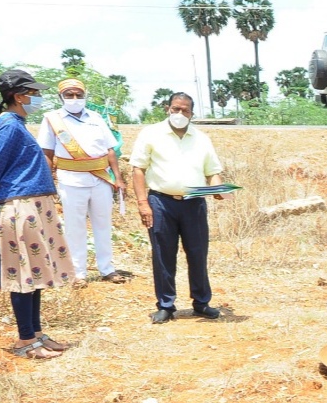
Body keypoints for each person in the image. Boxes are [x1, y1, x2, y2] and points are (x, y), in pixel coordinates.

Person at [0, 70, 73, 359]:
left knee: (34, 273)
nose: (38, 98)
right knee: (23, 274)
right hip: (19, 207)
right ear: (19, 97)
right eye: (33, 93)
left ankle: (34, 333)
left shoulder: (16, 123)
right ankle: (25, 341)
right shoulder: (8, 125)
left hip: (32, 206)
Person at [129, 92, 226, 324]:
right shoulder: (151, 134)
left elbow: (212, 171)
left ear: (192, 113)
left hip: (194, 203)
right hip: (161, 202)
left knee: (198, 252)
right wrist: (143, 203)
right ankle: (165, 305)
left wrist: (219, 189)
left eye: (185, 110)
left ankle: (201, 303)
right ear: (167, 109)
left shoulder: (201, 138)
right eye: (176, 109)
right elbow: (138, 170)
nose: (180, 114)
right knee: (163, 254)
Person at [37, 79, 127, 286]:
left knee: (103, 224)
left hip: (100, 179)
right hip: (70, 180)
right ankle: (78, 273)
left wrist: (118, 178)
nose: (75, 99)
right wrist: (48, 180)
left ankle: (107, 269)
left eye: (79, 94)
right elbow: (47, 152)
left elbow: (110, 150)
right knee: (75, 227)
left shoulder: (96, 118)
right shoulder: (52, 119)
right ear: (61, 97)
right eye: (69, 95)